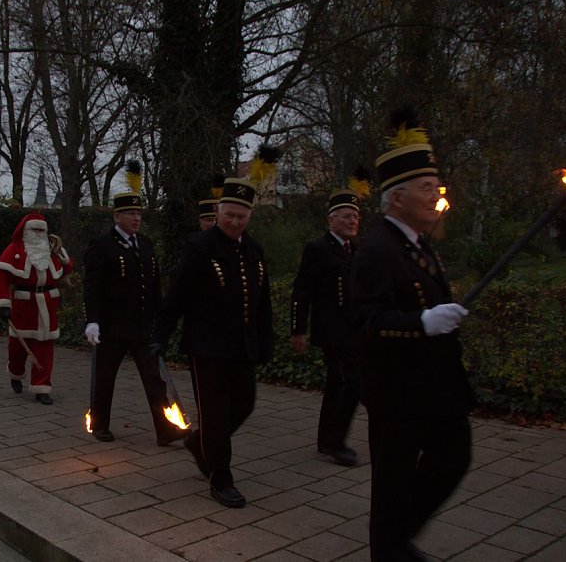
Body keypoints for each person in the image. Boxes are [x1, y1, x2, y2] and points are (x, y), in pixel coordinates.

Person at [351, 109, 473, 561]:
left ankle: (396, 540)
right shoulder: (377, 250)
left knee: (453, 456)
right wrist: (421, 323)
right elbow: (367, 322)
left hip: (437, 388)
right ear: (397, 197)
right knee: (393, 481)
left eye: (435, 187)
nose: (435, 195)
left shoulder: (421, 244)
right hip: (398, 391)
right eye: (426, 188)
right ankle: (391, 548)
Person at [150, 151, 275, 509]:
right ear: (219, 212)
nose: (235, 221)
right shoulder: (200, 247)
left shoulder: (254, 250)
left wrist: (266, 341)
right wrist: (161, 334)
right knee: (217, 415)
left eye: (242, 216)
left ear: (250, 216)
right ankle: (220, 478)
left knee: (245, 405)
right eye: (230, 214)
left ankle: (199, 443)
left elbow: (261, 301)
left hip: (243, 347)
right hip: (207, 348)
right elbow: (177, 295)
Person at [83, 161, 188, 446]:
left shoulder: (146, 244)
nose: (136, 218)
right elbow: (92, 285)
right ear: (117, 216)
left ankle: (165, 429)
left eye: (139, 213)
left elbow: (153, 285)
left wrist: (161, 318)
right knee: (105, 378)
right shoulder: (102, 245)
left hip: (142, 326)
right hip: (112, 326)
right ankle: (101, 424)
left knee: (154, 379)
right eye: (130, 213)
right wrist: (92, 319)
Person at [291, 186, 363, 467]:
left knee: (337, 384)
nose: (352, 221)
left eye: (356, 217)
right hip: (332, 330)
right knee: (351, 382)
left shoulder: (356, 250)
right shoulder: (318, 249)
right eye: (346, 216)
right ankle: (336, 442)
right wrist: (299, 329)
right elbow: (302, 291)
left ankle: (326, 439)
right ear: (331, 220)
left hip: (353, 330)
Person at [0, 212, 74, 405]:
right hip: (23, 304)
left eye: (41, 230)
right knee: (18, 348)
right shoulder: (14, 250)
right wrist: (3, 304)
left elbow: (67, 268)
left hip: (47, 302)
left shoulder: (52, 251)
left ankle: (41, 387)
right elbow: (2, 278)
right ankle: (16, 373)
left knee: (45, 348)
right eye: (34, 230)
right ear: (26, 231)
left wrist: (62, 256)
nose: (38, 233)